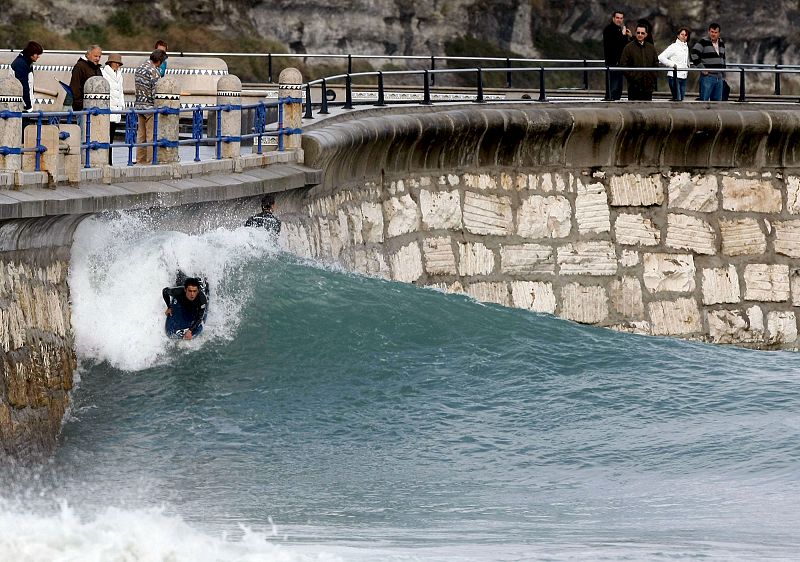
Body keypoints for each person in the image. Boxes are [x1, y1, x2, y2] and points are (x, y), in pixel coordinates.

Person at [134, 49, 167, 164]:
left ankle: (140, 160)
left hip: (139, 106)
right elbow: (155, 93)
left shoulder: (140, 68)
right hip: (150, 108)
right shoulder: (154, 72)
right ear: (159, 61)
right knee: (151, 136)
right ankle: (150, 162)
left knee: (141, 136)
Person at [619, 24, 659, 101]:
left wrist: (652, 77)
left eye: (642, 33)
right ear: (635, 33)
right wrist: (633, 77)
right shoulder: (628, 47)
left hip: (648, 86)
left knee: (648, 107)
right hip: (633, 86)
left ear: (646, 34)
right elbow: (623, 64)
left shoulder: (651, 48)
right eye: (638, 32)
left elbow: (656, 63)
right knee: (633, 108)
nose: (640, 35)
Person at [691, 23, 726, 101]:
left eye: (715, 32)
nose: (713, 34)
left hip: (719, 77)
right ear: (708, 32)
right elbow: (694, 54)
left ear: (719, 33)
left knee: (717, 102)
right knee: (704, 101)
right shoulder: (703, 41)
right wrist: (702, 69)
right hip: (707, 77)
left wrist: (723, 73)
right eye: (712, 32)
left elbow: (723, 58)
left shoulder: (721, 42)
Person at [602, 10, 632, 100]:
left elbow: (626, 46)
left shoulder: (619, 30)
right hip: (612, 62)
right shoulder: (608, 29)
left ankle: (615, 101)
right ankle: (609, 101)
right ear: (613, 18)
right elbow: (615, 44)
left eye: (621, 18)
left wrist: (630, 36)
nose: (619, 20)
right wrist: (623, 35)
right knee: (612, 88)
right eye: (617, 18)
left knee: (618, 88)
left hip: (620, 63)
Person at [102, 53, 125, 164]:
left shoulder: (120, 75)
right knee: (106, 137)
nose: (117, 65)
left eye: (119, 63)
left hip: (116, 110)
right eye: (116, 63)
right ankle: (107, 160)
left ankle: (110, 160)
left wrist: (122, 105)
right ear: (110, 63)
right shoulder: (103, 73)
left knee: (111, 137)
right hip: (108, 109)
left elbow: (120, 91)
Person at [659, 28, 691, 101]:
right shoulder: (673, 46)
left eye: (686, 35)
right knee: (677, 99)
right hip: (674, 76)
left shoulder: (686, 47)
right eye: (682, 34)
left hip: (684, 77)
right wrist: (672, 65)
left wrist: (687, 65)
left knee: (681, 99)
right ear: (678, 35)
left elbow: (686, 60)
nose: (684, 36)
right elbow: (660, 57)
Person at [11, 41, 44, 112]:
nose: (38, 56)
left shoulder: (27, 63)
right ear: (31, 53)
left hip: (23, 106)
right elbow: (23, 87)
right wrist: (28, 107)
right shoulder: (21, 64)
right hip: (21, 108)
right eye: (37, 54)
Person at [69, 45, 103, 111]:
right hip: (83, 109)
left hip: (96, 108)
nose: (98, 59)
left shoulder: (97, 68)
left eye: (99, 57)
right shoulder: (79, 67)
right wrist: (81, 105)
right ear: (88, 55)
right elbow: (75, 87)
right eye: (95, 56)